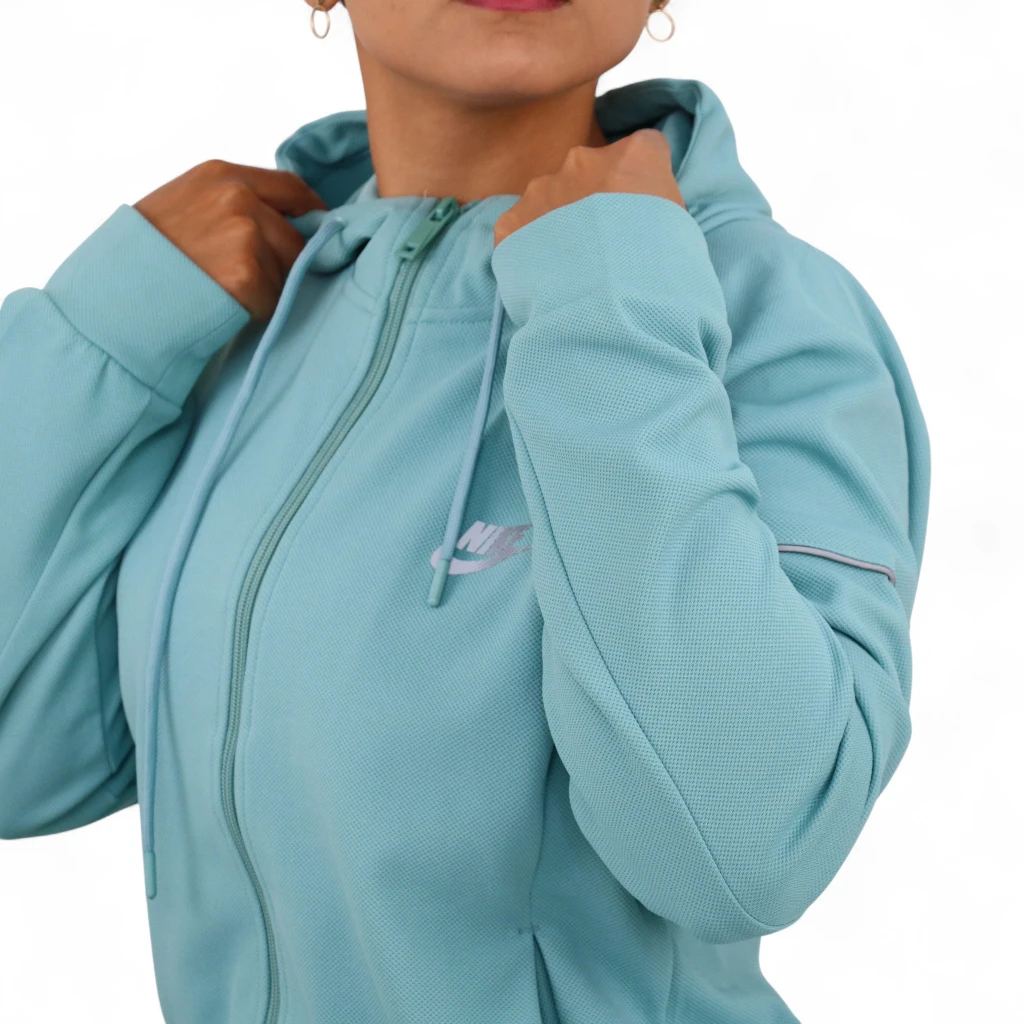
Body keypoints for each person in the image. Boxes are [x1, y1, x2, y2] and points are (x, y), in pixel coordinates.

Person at [0, 0, 930, 1020]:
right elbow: (19, 762)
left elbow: (747, 847)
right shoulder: (237, 313)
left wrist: (608, 310)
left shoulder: (759, 309)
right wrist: (100, 335)